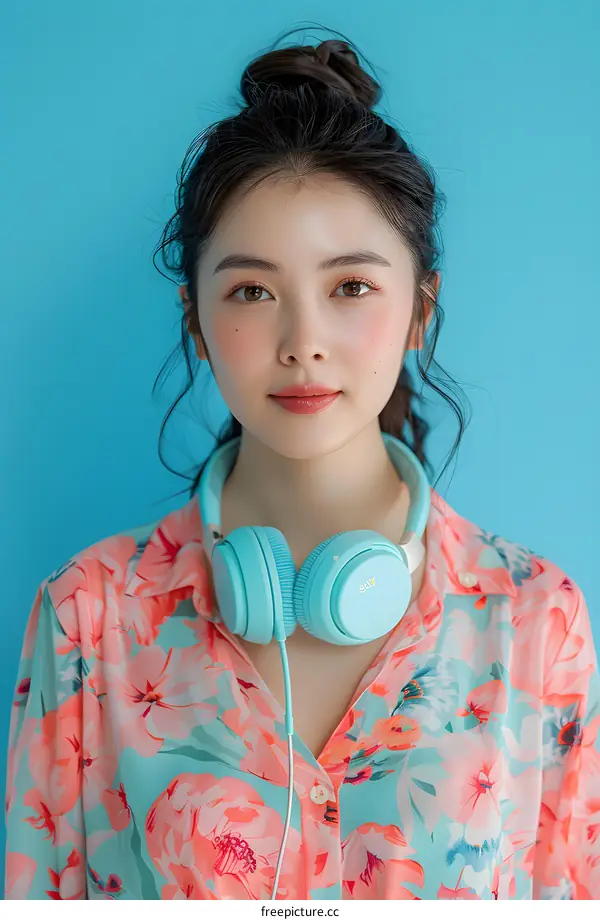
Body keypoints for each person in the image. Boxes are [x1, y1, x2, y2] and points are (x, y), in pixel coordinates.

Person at [4, 28, 600, 901]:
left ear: (418, 310)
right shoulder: (89, 617)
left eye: (351, 287)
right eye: (252, 291)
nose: (303, 343)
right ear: (197, 320)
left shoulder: (536, 623)